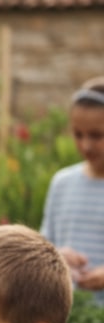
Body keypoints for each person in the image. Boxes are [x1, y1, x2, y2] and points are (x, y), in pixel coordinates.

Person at [40, 76, 104, 305]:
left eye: (97, 135)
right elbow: (44, 244)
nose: (86, 145)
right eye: (78, 134)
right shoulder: (62, 182)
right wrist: (57, 258)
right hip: (68, 313)